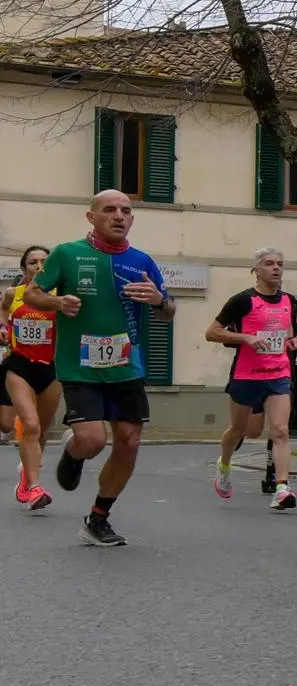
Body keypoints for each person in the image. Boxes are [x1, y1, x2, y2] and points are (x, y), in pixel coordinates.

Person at [24, 191, 171, 547]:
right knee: (93, 440)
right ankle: (74, 449)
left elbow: (168, 311)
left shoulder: (142, 261)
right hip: (80, 364)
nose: (119, 216)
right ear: (92, 217)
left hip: (126, 366)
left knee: (129, 442)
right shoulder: (68, 253)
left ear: (132, 219)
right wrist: (57, 301)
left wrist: (160, 302)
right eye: (110, 210)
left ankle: (98, 517)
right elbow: (32, 294)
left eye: (126, 211)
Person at [206, 249, 297, 509]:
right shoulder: (242, 301)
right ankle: (224, 464)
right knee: (244, 430)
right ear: (256, 270)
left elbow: (288, 332)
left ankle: (282, 488)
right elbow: (212, 333)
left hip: (279, 374)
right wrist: (246, 338)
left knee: (281, 431)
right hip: (246, 376)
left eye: (280, 264)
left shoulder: (288, 300)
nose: (276, 268)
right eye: (269, 264)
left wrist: (294, 341)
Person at [7, 246, 60, 512]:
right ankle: (35, 488)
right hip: (19, 365)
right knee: (29, 425)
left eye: (44, 262)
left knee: (42, 428)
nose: (38, 266)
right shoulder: (13, 294)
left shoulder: (59, 296)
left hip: (51, 368)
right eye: (32, 262)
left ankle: (26, 477)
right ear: (24, 268)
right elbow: (3, 311)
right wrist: (4, 329)